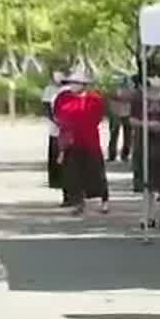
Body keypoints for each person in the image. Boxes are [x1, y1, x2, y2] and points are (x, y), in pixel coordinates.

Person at [129, 61, 160, 229]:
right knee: (146, 181)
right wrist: (147, 124)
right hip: (144, 142)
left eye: (158, 75)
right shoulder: (138, 96)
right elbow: (132, 119)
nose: (155, 79)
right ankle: (146, 215)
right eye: (151, 75)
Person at [55, 70, 110, 216]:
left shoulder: (94, 99)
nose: (73, 86)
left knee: (96, 171)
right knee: (74, 174)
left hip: (90, 140)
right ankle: (78, 202)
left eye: (76, 83)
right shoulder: (64, 98)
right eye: (71, 83)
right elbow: (59, 115)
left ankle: (103, 201)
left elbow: (96, 116)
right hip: (71, 141)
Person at [106, 73, 134, 162]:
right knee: (114, 134)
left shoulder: (130, 86)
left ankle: (125, 154)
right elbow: (110, 96)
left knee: (127, 135)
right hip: (115, 112)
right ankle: (112, 155)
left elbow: (131, 97)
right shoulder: (112, 86)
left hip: (127, 112)